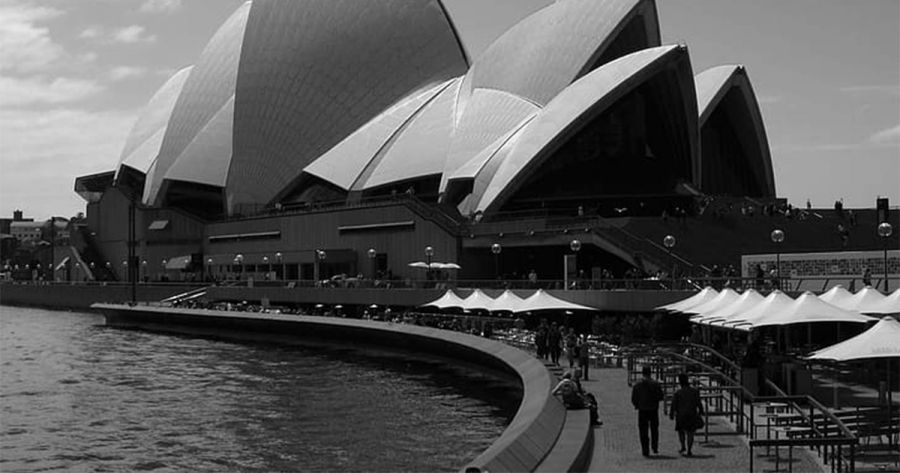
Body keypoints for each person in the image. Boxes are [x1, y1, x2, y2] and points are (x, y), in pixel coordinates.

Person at [631, 366, 664, 457]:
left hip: (642, 409)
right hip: (653, 409)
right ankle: (654, 446)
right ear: (650, 373)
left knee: (643, 430)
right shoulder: (655, 384)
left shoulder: (637, 385)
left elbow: (634, 398)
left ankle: (645, 449)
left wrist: (637, 405)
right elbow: (661, 396)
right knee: (654, 429)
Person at [669, 373, 704, 456]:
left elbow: (674, 404)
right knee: (690, 433)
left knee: (681, 432)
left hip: (681, 415)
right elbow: (699, 402)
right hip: (692, 413)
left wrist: (671, 413)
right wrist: (701, 411)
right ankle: (689, 449)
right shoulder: (694, 391)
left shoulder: (678, 393)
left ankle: (683, 446)